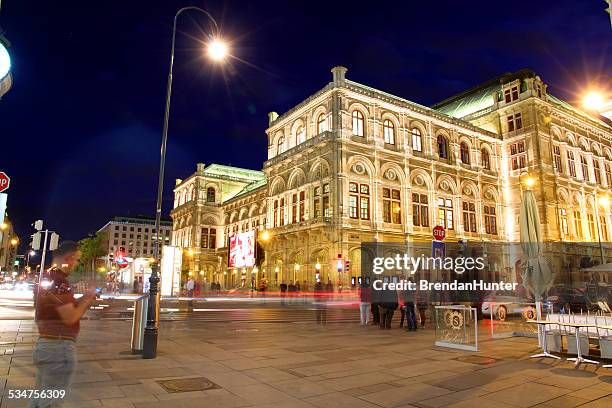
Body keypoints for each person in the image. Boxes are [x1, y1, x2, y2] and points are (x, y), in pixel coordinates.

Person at [29, 241, 97, 408]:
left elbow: (58, 308)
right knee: (50, 403)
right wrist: (87, 299)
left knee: (39, 400)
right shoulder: (59, 281)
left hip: (45, 344)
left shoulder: (45, 276)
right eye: (77, 260)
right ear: (69, 257)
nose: (76, 264)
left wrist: (82, 300)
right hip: (58, 348)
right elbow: (70, 317)